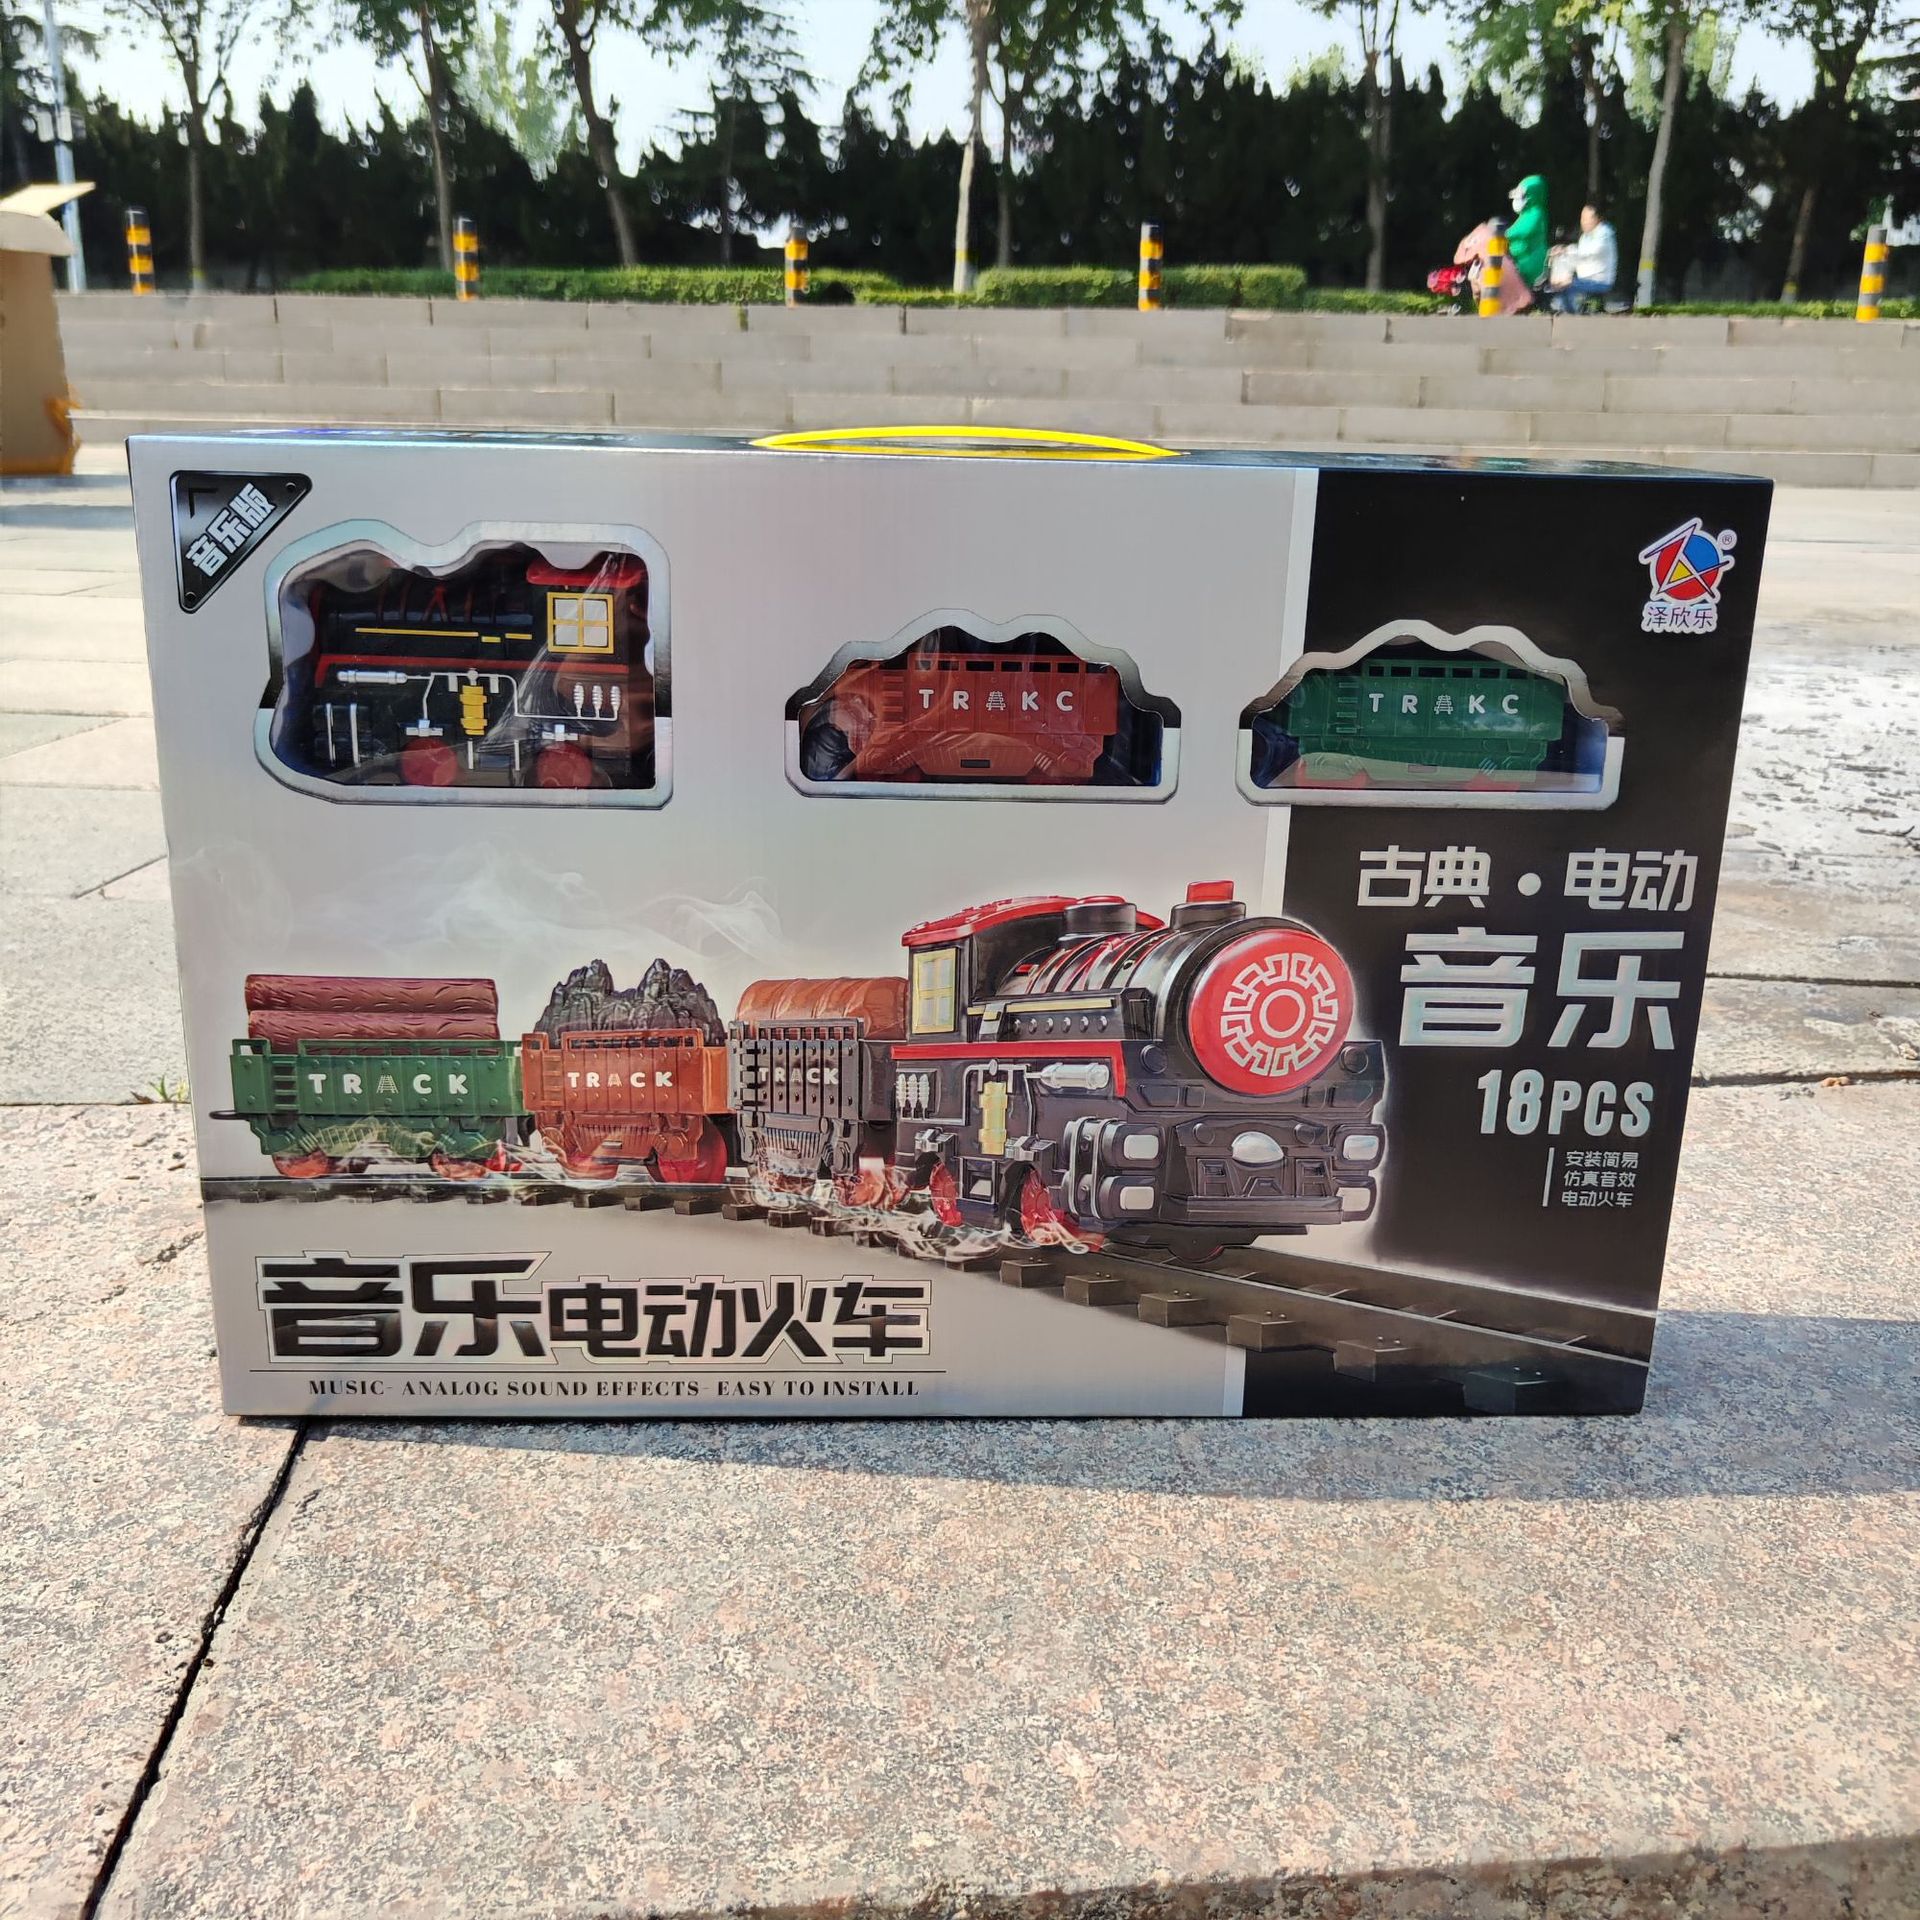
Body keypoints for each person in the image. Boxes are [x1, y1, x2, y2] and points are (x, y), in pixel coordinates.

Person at [1550, 204, 1619, 313]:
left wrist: (1566, 251)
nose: (1583, 222)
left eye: (1587, 219)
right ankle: (1570, 312)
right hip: (1584, 279)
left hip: (1600, 281)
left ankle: (1573, 314)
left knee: (1567, 286)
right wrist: (1561, 254)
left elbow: (1590, 252)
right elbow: (1578, 257)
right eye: (1582, 218)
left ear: (1597, 219)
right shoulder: (1585, 237)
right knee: (1561, 286)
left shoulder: (1605, 234)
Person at [1504, 175, 1550, 290]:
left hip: (1531, 257)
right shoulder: (1524, 215)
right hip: (1519, 257)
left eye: (1522, 196)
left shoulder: (1536, 213)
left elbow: (1525, 230)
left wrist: (1506, 234)